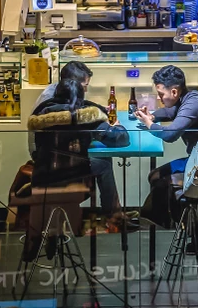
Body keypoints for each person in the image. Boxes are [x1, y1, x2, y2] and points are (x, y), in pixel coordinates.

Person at [135, 65, 198, 236]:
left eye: (161, 94)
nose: (159, 98)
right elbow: (169, 111)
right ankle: (182, 223)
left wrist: (149, 124)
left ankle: (194, 231)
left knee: (160, 180)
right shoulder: (188, 98)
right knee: (154, 176)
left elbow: (170, 135)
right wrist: (153, 116)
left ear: (174, 92)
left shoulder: (193, 104)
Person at [28, 78, 129, 230]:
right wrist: (118, 126)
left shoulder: (41, 113)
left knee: (99, 162)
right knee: (104, 164)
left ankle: (109, 216)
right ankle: (112, 215)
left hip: (44, 174)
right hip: (73, 174)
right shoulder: (84, 116)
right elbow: (120, 139)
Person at [29, 60, 94, 157]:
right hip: (49, 156)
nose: (85, 90)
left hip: (54, 151)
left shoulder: (60, 91)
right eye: (85, 86)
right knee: (103, 162)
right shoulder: (51, 100)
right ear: (72, 83)